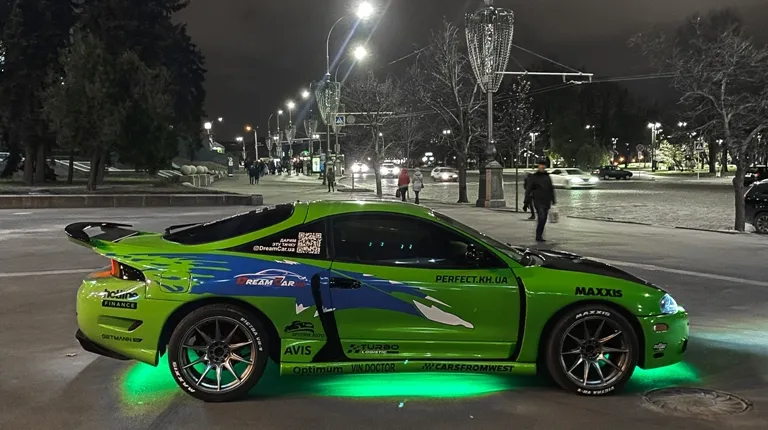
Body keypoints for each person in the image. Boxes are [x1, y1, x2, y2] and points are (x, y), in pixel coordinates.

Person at [529, 160, 556, 242]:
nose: (542, 167)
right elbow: (529, 189)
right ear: (539, 166)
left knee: (544, 219)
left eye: (543, 165)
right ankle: (538, 235)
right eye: (541, 165)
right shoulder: (534, 177)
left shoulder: (547, 177)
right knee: (541, 217)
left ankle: (539, 235)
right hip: (538, 200)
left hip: (546, 201)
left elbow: (551, 188)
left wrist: (553, 200)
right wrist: (526, 201)